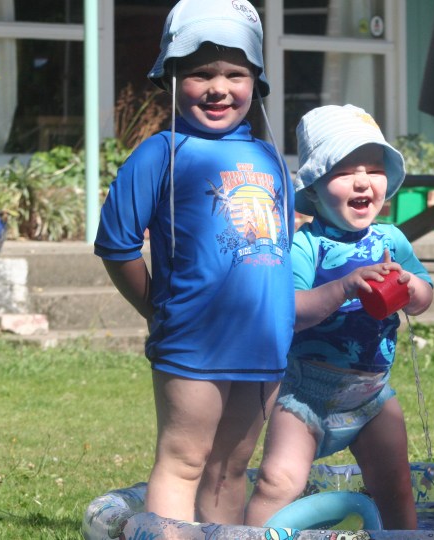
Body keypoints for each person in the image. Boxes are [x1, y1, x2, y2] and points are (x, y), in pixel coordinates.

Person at [93, 0, 294, 524]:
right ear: (171, 77)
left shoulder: (270, 157)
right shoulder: (161, 153)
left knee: (232, 466)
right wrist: (155, 308)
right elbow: (117, 245)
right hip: (193, 342)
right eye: (201, 73)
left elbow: (277, 251)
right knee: (184, 460)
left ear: (257, 82)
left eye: (236, 74)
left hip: (264, 342)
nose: (219, 88)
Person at [244, 104, 434, 530]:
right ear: (313, 187)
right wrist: (347, 285)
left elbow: (424, 298)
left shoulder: (392, 239)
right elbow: (289, 312)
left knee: (395, 485)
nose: (363, 181)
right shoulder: (306, 244)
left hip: (371, 395)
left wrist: (409, 285)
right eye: (346, 171)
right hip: (305, 392)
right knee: (278, 481)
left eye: (373, 169)